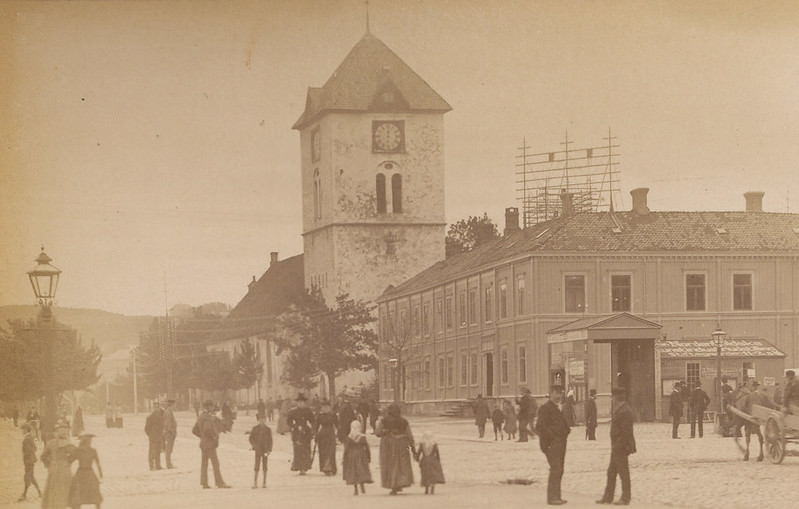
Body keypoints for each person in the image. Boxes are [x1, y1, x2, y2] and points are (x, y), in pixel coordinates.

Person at [596, 387, 636, 505]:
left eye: (613, 397)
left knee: (623, 472)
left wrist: (621, 446)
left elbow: (626, 432)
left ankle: (625, 498)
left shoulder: (624, 411)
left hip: (620, 446)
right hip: (617, 446)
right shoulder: (621, 409)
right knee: (611, 472)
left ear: (616, 398)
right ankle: (608, 497)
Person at [535, 385, 570, 506]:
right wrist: (552, 439)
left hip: (560, 444)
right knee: (556, 469)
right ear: (550, 393)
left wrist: (566, 431)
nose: (558, 396)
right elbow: (540, 427)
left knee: (560, 470)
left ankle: (557, 496)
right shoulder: (545, 408)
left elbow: (562, 425)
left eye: (560, 393)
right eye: (556, 393)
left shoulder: (557, 408)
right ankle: (552, 498)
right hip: (552, 445)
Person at [377, 403, 415, 495]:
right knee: (401, 464)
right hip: (401, 444)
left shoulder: (383, 421)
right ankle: (400, 483)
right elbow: (409, 435)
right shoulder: (404, 421)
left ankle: (393, 485)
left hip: (388, 445)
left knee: (390, 464)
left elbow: (378, 433)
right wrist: (413, 447)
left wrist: (385, 432)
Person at [192, 400, 230, 488]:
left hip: (203, 444)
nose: (213, 408)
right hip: (210, 444)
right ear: (208, 407)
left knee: (204, 464)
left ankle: (204, 483)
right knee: (215, 463)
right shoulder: (207, 417)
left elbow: (194, 430)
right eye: (212, 406)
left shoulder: (201, 416)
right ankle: (219, 482)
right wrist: (214, 436)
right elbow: (207, 429)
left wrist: (202, 437)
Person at [40, 424, 76, 509]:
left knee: (53, 489)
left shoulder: (50, 443)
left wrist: (49, 464)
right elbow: (75, 453)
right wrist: (69, 461)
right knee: (65, 489)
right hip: (65, 469)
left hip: (54, 468)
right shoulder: (68, 444)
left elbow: (43, 456)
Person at [69, 433, 103, 508]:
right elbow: (70, 460)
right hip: (83, 473)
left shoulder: (92, 450)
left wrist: (100, 472)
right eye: (88, 441)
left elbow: (97, 462)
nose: (89, 443)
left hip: (87, 473)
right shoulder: (78, 450)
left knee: (94, 492)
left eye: (90, 441)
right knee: (79, 493)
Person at [343, 418, 372, 495]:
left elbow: (346, 448)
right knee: (361, 470)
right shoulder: (362, 437)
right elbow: (367, 447)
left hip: (351, 455)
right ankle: (362, 485)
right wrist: (369, 457)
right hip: (361, 454)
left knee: (354, 472)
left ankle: (355, 489)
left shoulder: (349, 437)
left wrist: (344, 458)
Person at [287, 393, 315, 475]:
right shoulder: (293, 411)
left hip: (306, 432)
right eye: (299, 402)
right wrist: (295, 426)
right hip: (297, 433)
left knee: (306, 450)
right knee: (298, 450)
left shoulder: (308, 411)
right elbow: (289, 421)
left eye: (302, 402)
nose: (300, 404)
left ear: (304, 403)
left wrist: (312, 430)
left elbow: (312, 421)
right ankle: (299, 467)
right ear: (297, 403)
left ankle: (305, 467)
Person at [18, 423, 42, 502]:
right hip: (30, 460)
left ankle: (24, 495)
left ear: (26, 430)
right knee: (31, 477)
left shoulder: (27, 439)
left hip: (29, 461)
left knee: (28, 477)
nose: (22, 431)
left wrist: (27, 455)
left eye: (23, 429)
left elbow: (31, 450)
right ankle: (39, 492)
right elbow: (34, 448)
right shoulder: (29, 438)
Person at [416, 430, 445, 495]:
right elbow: (437, 453)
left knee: (425, 474)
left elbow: (419, 452)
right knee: (433, 474)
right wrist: (438, 461)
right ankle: (432, 488)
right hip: (433, 460)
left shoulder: (422, 444)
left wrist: (417, 459)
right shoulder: (434, 444)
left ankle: (426, 489)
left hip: (424, 460)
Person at [248, 413, 272, 489]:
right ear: (258, 420)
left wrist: (269, 450)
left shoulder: (268, 429)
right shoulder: (255, 429)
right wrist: (254, 445)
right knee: (257, 465)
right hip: (258, 450)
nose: (262, 421)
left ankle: (264, 482)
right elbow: (251, 438)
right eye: (261, 419)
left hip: (265, 450)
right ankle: (255, 482)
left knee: (265, 466)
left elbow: (270, 440)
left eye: (264, 419)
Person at [314, 400, 338, 475]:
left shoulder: (333, 415)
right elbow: (316, 426)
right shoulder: (319, 416)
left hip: (331, 434)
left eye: (327, 407)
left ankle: (331, 468)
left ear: (330, 407)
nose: (325, 409)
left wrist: (339, 434)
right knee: (323, 452)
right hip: (322, 435)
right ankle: (325, 468)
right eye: (323, 407)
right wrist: (315, 435)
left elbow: (338, 425)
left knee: (331, 451)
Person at [144, 402, 164, 470]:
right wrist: (150, 435)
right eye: (155, 407)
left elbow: (162, 427)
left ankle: (158, 465)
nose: (156, 409)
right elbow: (146, 429)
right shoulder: (150, 417)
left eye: (157, 407)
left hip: (159, 437)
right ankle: (151, 466)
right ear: (153, 408)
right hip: (153, 437)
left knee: (158, 452)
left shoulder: (161, 417)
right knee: (152, 452)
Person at [163, 399, 177, 469]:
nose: (175, 406)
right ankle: (168, 464)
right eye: (175, 404)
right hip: (169, 434)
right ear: (172, 405)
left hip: (170, 434)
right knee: (168, 449)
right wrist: (171, 432)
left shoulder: (169, 411)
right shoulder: (168, 412)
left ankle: (169, 463)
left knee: (169, 449)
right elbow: (167, 424)